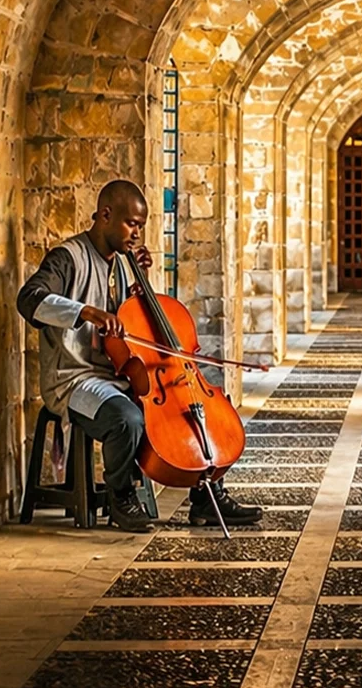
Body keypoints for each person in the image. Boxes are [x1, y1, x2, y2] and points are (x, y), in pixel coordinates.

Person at [17, 180, 261, 532]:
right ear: (105, 215)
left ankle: (206, 497)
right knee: (127, 419)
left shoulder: (120, 263)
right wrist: (86, 312)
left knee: (185, 410)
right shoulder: (67, 258)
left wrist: (141, 282)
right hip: (74, 380)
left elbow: (136, 332)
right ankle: (120, 496)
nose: (136, 233)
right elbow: (30, 298)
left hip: (116, 376)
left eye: (140, 226)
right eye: (131, 223)